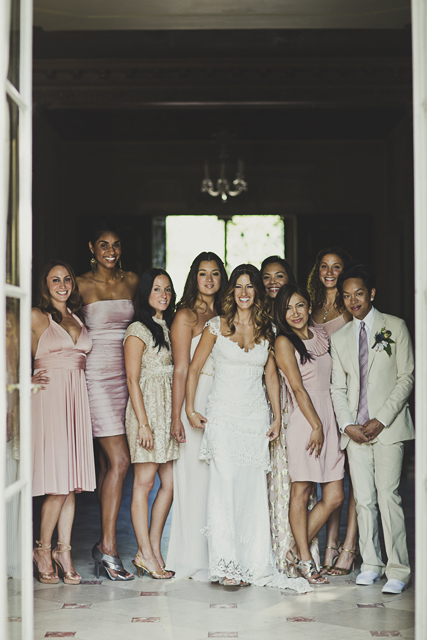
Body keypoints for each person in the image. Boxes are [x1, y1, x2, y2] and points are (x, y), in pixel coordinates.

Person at [185, 264, 311, 593]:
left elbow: (271, 376)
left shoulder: (267, 329)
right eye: (238, 287)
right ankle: (227, 565)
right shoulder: (216, 326)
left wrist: (277, 418)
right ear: (232, 292)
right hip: (223, 417)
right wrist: (189, 407)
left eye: (249, 287)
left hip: (255, 419)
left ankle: (252, 560)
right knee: (224, 488)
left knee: (251, 490)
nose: (243, 293)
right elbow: (195, 368)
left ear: (256, 291)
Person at [331, 262, 414, 594]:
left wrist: (382, 418)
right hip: (355, 433)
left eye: (359, 294)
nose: (354, 301)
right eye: (347, 296)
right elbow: (337, 387)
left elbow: (407, 376)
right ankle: (371, 563)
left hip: (388, 428)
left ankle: (398, 569)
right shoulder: (339, 338)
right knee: (363, 499)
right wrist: (347, 424)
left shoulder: (395, 327)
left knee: (388, 496)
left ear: (372, 294)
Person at [77, 223, 138, 580]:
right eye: (103, 245)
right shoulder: (81, 284)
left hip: (127, 378)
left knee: (107, 467)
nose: (110, 251)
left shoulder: (131, 281)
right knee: (121, 460)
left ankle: (103, 544)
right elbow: (61, 321)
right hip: (96, 378)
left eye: (115, 245)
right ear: (92, 247)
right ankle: (108, 547)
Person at [274, 284, 345, 585]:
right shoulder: (282, 342)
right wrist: (316, 425)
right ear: (282, 313)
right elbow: (297, 387)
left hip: (329, 417)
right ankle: (305, 559)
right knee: (301, 492)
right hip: (305, 421)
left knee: (335, 495)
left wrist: (328, 423)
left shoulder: (322, 336)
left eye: (300, 306)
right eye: (289, 308)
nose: (295, 313)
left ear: (307, 307)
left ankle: (293, 551)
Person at [31, 260, 96, 585]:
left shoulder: (75, 316)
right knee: (57, 486)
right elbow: (7, 349)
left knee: (71, 485)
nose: (62, 284)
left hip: (76, 399)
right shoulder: (34, 316)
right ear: (45, 284)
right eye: (54, 279)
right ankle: (42, 549)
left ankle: (63, 550)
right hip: (50, 397)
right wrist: (23, 378)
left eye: (66, 278)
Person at [166, 252, 228, 580]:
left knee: (217, 481)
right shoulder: (185, 316)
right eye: (203, 273)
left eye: (215, 273)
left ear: (222, 278)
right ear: (194, 277)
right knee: (192, 478)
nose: (208, 279)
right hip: (196, 399)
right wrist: (179, 414)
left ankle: (215, 555)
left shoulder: (229, 312)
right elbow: (180, 368)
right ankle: (188, 557)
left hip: (226, 400)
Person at [260, 256, 319, 575]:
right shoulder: (256, 316)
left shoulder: (301, 323)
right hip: (268, 405)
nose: (272, 281)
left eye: (278, 275)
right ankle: (279, 550)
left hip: (295, 406)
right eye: (266, 276)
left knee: (300, 480)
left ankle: (298, 550)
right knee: (276, 481)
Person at [124, 268, 178, 580]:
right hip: (146, 415)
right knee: (144, 485)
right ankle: (144, 552)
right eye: (157, 289)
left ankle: (153, 549)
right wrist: (143, 424)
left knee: (169, 485)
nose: (163, 295)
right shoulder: (137, 329)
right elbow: (132, 379)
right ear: (146, 293)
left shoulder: (169, 326)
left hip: (166, 413)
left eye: (168, 290)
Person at [307, 247, 357, 576]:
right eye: (324, 266)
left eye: (336, 267)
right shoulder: (310, 306)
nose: (330, 272)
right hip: (324, 397)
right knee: (330, 475)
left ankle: (348, 548)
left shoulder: (351, 306)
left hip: (350, 396)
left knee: (354, 476)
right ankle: (329, 544)